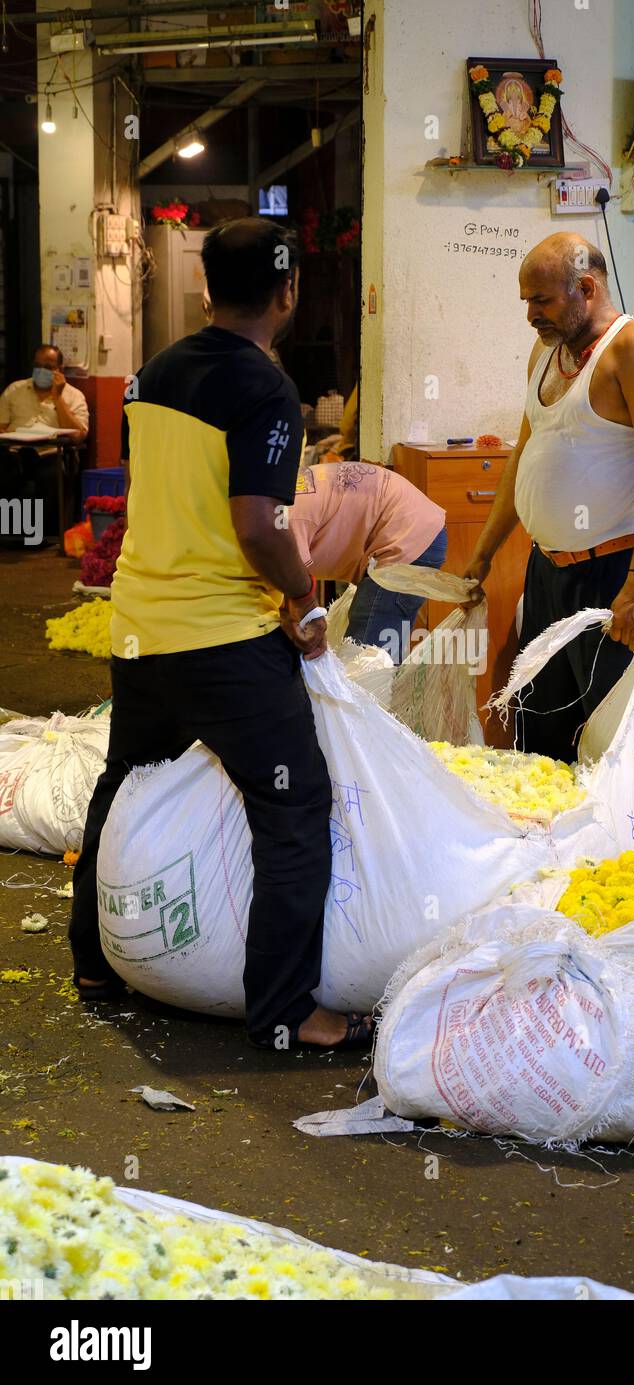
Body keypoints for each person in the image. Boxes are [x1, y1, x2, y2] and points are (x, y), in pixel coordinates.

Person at [68, 216, 372, 1053]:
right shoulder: (266, 388)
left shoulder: (155, 372)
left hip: (141, 627)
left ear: (206, 289)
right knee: (294, 803)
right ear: (289, 291)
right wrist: (305, 597)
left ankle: (93, 961)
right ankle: (286, 1011)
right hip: (222, 640)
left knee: (126, 783)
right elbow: (259, 522)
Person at [463, 232, 634, 856]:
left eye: (541, 300)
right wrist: (481, 555)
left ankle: (626, 872)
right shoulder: (545, 350)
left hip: (615, 578)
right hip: (548, 572)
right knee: (541, 726)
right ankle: (551, 865)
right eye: (526, 301)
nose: (531, 313)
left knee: (616, 740)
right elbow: (522, 458)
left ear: (586, 288)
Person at [289, 459, 446, 660]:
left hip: (409, 534)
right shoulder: (276, 497)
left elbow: (292, 582)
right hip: (410, 524)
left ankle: (373, 691)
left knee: (366, 655)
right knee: (372, 647)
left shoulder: (285, 518)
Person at [0, 344, 89, 442]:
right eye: (37, 366)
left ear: (60, 369)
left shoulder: (75, 396)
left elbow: (78, 436)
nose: (42, 371)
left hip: (51, 452)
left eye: (48, 367)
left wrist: (58, 397)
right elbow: (1, 426)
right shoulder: (14, 389)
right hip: (14, 451)